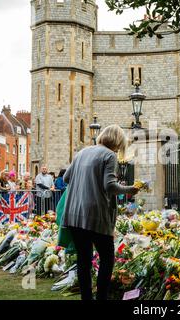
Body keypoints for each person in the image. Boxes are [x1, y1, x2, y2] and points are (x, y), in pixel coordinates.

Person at [62, 125, 140, 300]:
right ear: (118, 142)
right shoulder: (109, 155)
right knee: (107, 258)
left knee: (83, 259)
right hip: (95, 214)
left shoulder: (82, 152)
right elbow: (110, 186)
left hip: (74, 213)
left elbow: (66, 178)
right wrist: (130, 189)